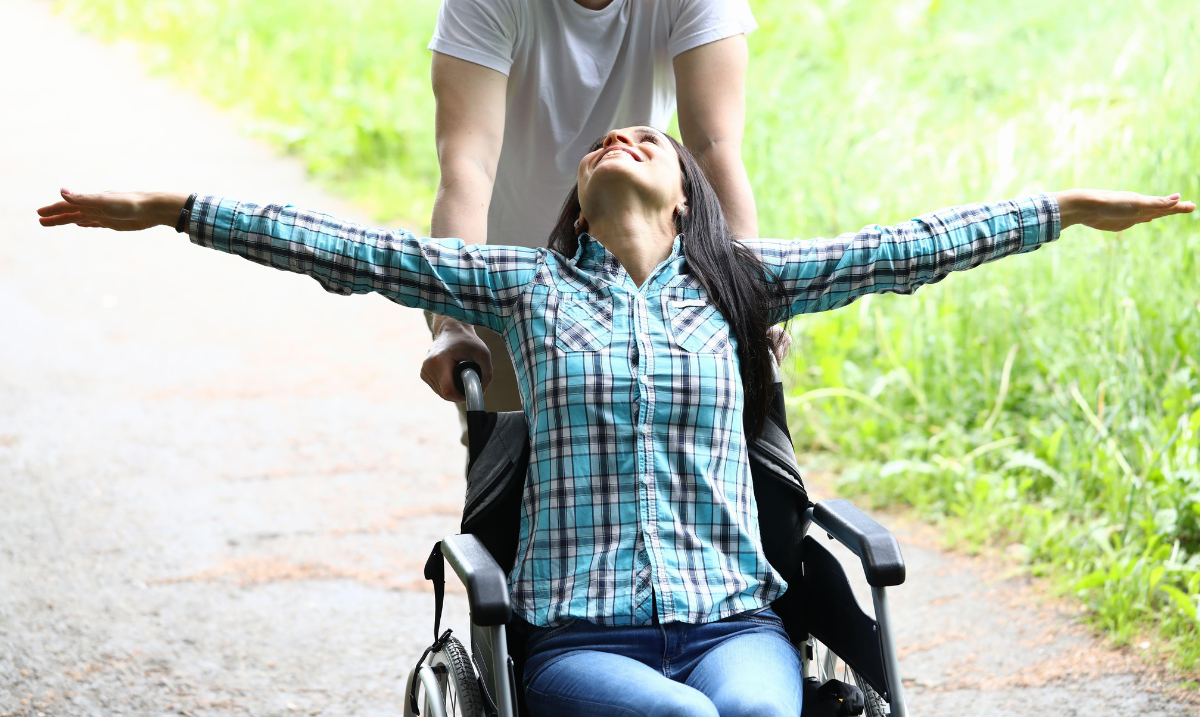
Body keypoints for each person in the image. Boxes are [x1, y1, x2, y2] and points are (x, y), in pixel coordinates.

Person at [37, 126, 1193, 717]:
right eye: (602, 144)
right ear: (579, 196)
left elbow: (907, 249)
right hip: (579, 638)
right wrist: (174, 209)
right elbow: (350, 252)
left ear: (684, 195)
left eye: (646, 139)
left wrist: (1066, 211)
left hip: (733, 620)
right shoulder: (528, 288)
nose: (619, 141)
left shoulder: (739, 282)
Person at [424, 0, 768, 430]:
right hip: (507, 284)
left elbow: (713, 146)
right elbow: (467, 163)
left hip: (644, 278)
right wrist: (453, 321)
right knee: (511, 486)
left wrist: (748, 304)